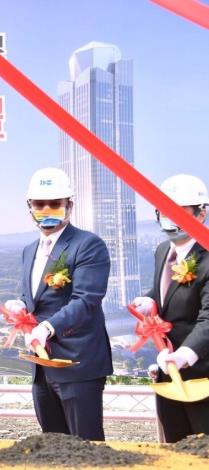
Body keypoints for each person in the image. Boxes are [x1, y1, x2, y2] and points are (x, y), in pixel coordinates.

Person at [4, 167, 112, 441]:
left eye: (55, 203)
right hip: (42, 366)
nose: (47, 209)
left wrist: (48, 328)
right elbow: (34, 299)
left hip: (77, 362)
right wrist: (20, 307)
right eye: (40, 204)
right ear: (30, 207)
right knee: (54, 444)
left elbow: (86, 299)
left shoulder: (88, 245)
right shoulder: (30, 250)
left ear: (69, 206)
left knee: (86, 446)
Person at [132, 174, 209, 443]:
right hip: (168, 372)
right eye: (164, 210)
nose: (170, 217)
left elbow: (208, 317)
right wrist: (150, 300)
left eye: (179, 211)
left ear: (201, 214)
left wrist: (185, 354)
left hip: (203, 376)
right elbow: (168, 292)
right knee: (175, 446)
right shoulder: (163, 249)